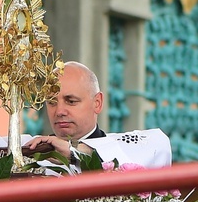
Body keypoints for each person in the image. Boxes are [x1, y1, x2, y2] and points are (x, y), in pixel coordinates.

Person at [21, 61, 171, 168]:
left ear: (97, 103)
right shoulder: (35, 153)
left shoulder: (124, 149)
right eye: (52, 102)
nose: (59, 111)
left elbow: (160, 144)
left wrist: (77, 153)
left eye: (71, 101)